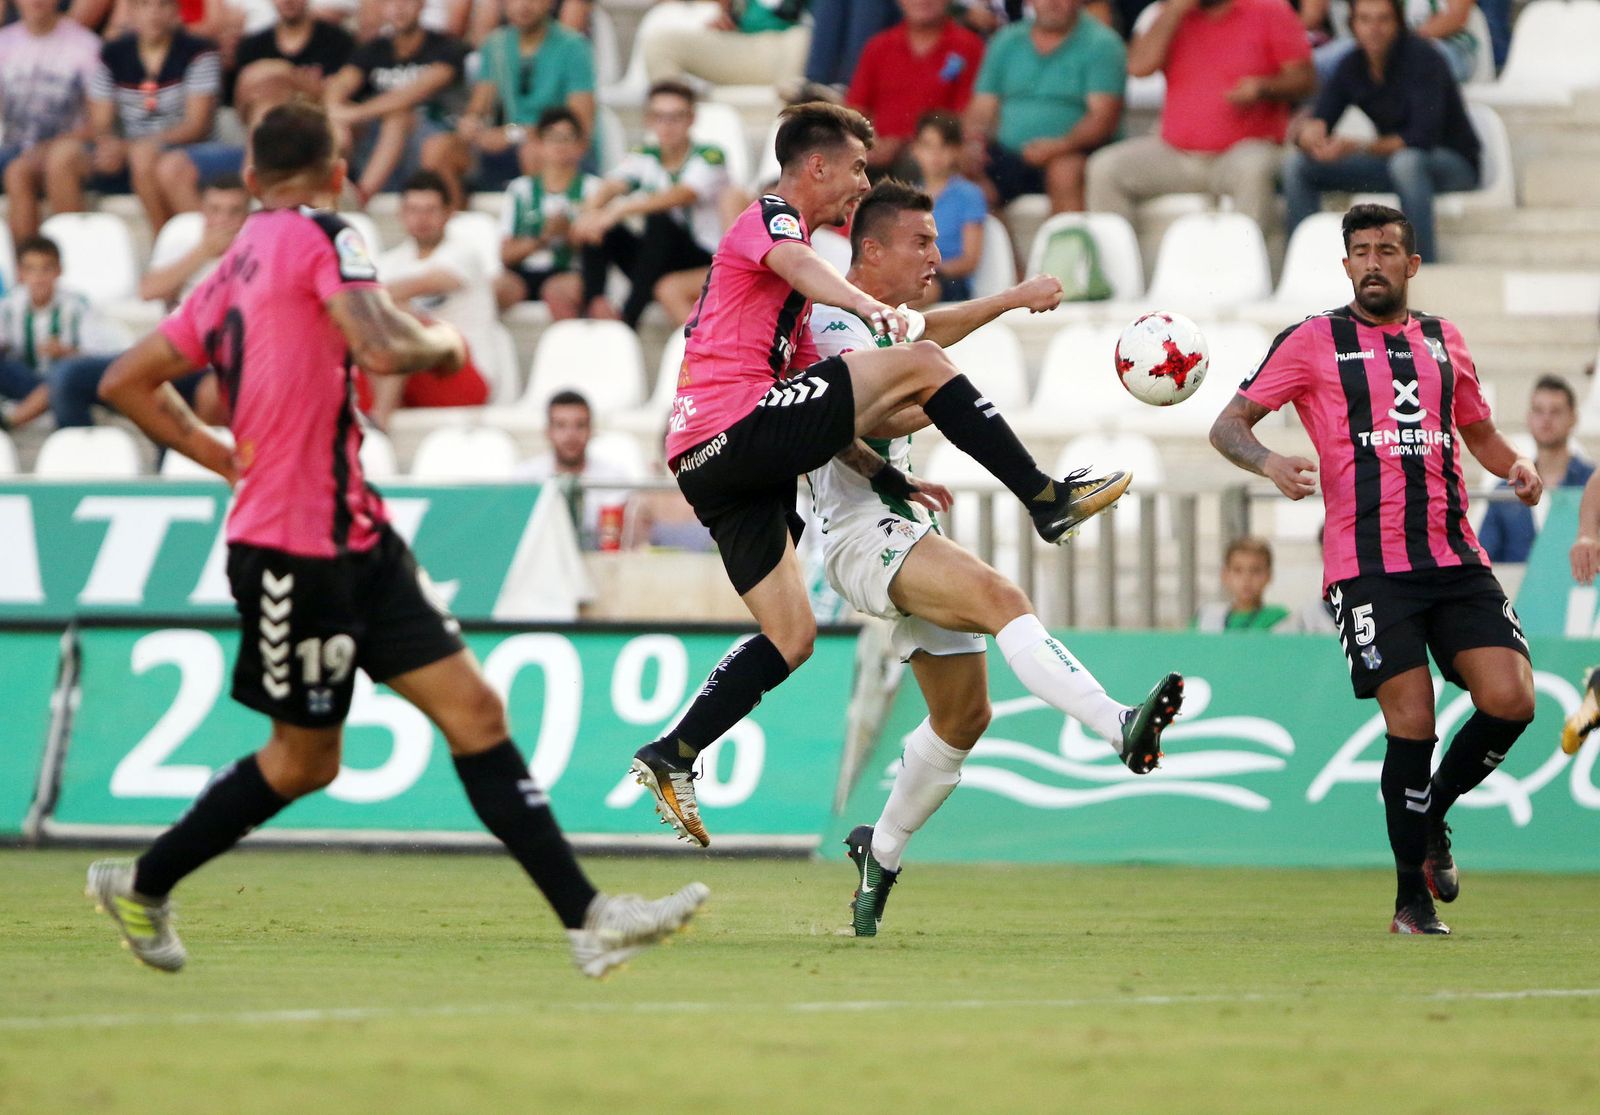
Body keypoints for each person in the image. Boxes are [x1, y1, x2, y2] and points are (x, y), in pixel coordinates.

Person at [89, 100, 707, 979]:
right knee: (304, 761)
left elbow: (126, 378)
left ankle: (589, 918)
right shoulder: (325, 234)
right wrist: (446, 340)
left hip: (355, 534)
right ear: (340, 174)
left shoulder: (231, 266)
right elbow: (379, 347)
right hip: (292, 552)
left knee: (475, 712)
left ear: (252, 180)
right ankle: (145, 882)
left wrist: (222, 458)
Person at [625, 102, 1129, 849]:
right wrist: (868, 304)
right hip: (732, 425)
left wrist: (881, 473)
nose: (862, 181)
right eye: (857, 168)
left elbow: (824, 416)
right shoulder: (769, 220)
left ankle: (674, 752)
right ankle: (1045, 497)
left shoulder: (788, 309)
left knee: (791, 635)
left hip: (713, 463)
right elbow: (800, 268)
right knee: (923, 363)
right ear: (817, 166)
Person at [803, 180, 1182, 935]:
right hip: (855, 532)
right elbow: (866, 408)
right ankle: (1117, 723)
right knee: (1003, 596)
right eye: (922, 243)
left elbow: (928, 329)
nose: (936, 257)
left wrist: (1006, 300)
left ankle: (879, 849)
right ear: (870, 250)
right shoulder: (828, 320)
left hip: (900, 520)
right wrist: (933, 386)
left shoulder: (883, 320)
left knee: (964, 714)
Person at [1209, 202, 1541, 936]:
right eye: (1359, 250)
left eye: (1387, 249)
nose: (1372, 262)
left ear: (1411, 264)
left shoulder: (1443, 339)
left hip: (1454, 556)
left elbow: (1478, 430)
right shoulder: (1310, 341)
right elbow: (1228, 424)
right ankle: (1408, 902)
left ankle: (1433, 821)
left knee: (1513, 698)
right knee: (1412, 719)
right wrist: (1268, 462)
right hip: (1366, 567)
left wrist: (1514, 465)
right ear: (1345, 263)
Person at [1086, 0, 1313, 235]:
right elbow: (1138, 67)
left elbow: (1306, 80)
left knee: (1252, 170)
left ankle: (1249, 267)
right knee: (1104, 169)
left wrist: (1262, 88)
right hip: (1177, 153)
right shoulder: (1169, 14)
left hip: (1244, 150)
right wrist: (1174, 10)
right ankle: (1116, 269)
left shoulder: (1270, 8)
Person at [1285, 0, 1479, 264]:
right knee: (1298, 167)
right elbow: (1321, 118)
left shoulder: (1424, 58)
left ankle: (1421, 269)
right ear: (1352, 25)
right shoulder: (1352, 64)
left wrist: (1358, 147)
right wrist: (1309, 137)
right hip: (1394, 165)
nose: (1374, 28)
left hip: (1452, 163)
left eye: (1382, 19)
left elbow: (1421, 138)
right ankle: (1305, 264)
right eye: (1365, 20)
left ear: (1397, 23)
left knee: (1407, 163)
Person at [569, 81, 732, 329]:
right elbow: (612, 185)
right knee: (603, 227)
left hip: (701, 257)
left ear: (691, 119)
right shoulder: (645, 155)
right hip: (657, 258)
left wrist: (619, 210)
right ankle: (596, 306)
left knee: (660, 221)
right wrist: (591, 212)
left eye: (676, 117)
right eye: (660, 117)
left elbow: (683, 194)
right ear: (649, 120)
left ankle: (629, 318)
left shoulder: (710, 155)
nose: (667, 126)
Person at [61, 0, 229, 232]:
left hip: (185, 148)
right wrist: (107, 144)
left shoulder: (199, 51)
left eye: (163, 5)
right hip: (129, 149)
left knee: (144, 157)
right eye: (145, 5)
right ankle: (63, 251)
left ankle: (161, 245)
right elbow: (101, 120)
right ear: (132, 11)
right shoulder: (112, 53)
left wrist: (132, 147)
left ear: (176, 12)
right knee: (63, 158)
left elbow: (196, 126)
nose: (154, 13)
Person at [423, 0, 596, 205]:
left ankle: (536, 224)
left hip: (550, 145)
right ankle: (456, 224)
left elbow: (578, 122)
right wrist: (472, 124)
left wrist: (516, 133)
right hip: (503, 144)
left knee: (534, 151)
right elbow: (480, 105)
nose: (523, 5)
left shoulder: (573, 46)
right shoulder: (495, 45)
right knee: (438, 149)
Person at [963, 0, 1126, 213]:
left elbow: (1103, 119)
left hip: (1074, 151)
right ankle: (1005, 247)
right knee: (961, 171)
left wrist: (1060, 145)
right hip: (1010, 154)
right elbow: (981, 108)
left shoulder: (1103, 43)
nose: (1052, 3)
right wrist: (973, 144)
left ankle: (1068, 245)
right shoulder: (1006, 40)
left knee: (1065, 172)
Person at [371, 170, 495, 425]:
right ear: (400, 214)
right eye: (413, 210)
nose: (421, 218)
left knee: (398, 318)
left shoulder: (464, 253)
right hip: (412, 377)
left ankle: (379, 421)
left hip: (462, 371)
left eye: (430, 210)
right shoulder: (389, 262)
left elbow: (428, 282)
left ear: (449, 213)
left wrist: (368, 298)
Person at [324, 0, 467, 205]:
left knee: (397, 116)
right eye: (392, 2)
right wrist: (334, 108)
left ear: (422, 5)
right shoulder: (374, 48)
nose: (399, 8)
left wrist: (357, 113)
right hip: (377, 139)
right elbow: (341, 83)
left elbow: (414, 93)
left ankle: (360, 198)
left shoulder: (444, 46)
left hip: (432, 130)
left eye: (407, 2)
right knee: (337, 128)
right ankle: (328, 194)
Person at [844, 0, 986, 180]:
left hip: (935, 157)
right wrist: (870, 145)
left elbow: (966, 117)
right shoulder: (878, 46)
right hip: (878, 154)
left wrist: (904, 144)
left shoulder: (969, 47)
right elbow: (855, 110)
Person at [0, 0, 102, 245]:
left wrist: (52, 146)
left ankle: (73, 254)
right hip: (17, 149)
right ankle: (28, 265)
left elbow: (100, 121)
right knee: (17, 172)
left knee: (59, 161)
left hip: (75, 146)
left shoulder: (85, 45)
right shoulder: (4, 43)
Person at [0, 236, 125, 430]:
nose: (38, 277)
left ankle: (12, 420)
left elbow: (96, 361)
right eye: (31, 269)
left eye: (46, 269)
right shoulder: (9, 306)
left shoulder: (77, 306)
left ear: (59, 270)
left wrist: (65, 352)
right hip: (27, 381)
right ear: (20, 273)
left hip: (67, 386)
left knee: (65, 374)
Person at [493, 106, 606, 317]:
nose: (559, 146)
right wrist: (543, 238)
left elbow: (602, 249)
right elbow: (505, 254)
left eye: (567, 138)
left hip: (571, 271)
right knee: (490, 291)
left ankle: (566, 349)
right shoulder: (520, 190)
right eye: (552, 138)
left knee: (557, 292)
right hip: (523, 273)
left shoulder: (594, 189)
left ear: (581, 145)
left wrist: (568, 233)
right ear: (539, 144)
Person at [1477, 375, 1592, 563]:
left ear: (1573, 418)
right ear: (1529, 418)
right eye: (1538, 411)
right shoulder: (1506, 489)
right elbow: (1485, 558)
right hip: (1515, 589)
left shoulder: (1592, 483)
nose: (1546, 419)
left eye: (1555, 411)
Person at [514, 390, 636, 549]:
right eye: (561, 425)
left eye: (580, 425)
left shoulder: (613, 478)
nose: (571, 435)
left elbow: (614, 542)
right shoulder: (525, 478)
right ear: (547, 431)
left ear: (591, 430)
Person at [231, 0, 356, 128]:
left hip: (320, 125)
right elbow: (241, 100)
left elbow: (339, 98)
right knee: (263, 109)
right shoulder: (252, 46)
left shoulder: (338, 42)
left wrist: (284, 74)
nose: (288, 1)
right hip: (267, 126)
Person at [642, 0, 811, 90]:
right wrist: (725, 11)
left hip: (789, 47)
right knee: (661, 44)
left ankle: (792, 141)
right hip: (741, 45)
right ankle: (671, 133)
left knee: (802, 38)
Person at [909, 112, 987, 302]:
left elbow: (969, 260)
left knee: (913, 293)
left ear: (956, 151)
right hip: (911, 276)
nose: (935, 154)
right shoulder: (907, 197)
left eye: (944, 147)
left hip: (949, 282)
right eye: (928, 146)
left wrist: (929, 269)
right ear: (915, 150)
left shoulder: (969, 194)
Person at [1315, 0, 1480, 86]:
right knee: (1321, 61)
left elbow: (1456, 18)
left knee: (1418, 59)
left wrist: (1403, 42)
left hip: (1450, 46)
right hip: (1390, 45)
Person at [1191, 535, 1289, 631]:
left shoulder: (1279, 619)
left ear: (1269, 576)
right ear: (1225, 576)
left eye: (1256, 571)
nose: (1247, 578)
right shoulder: (1206, 618)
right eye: (1238, 570)